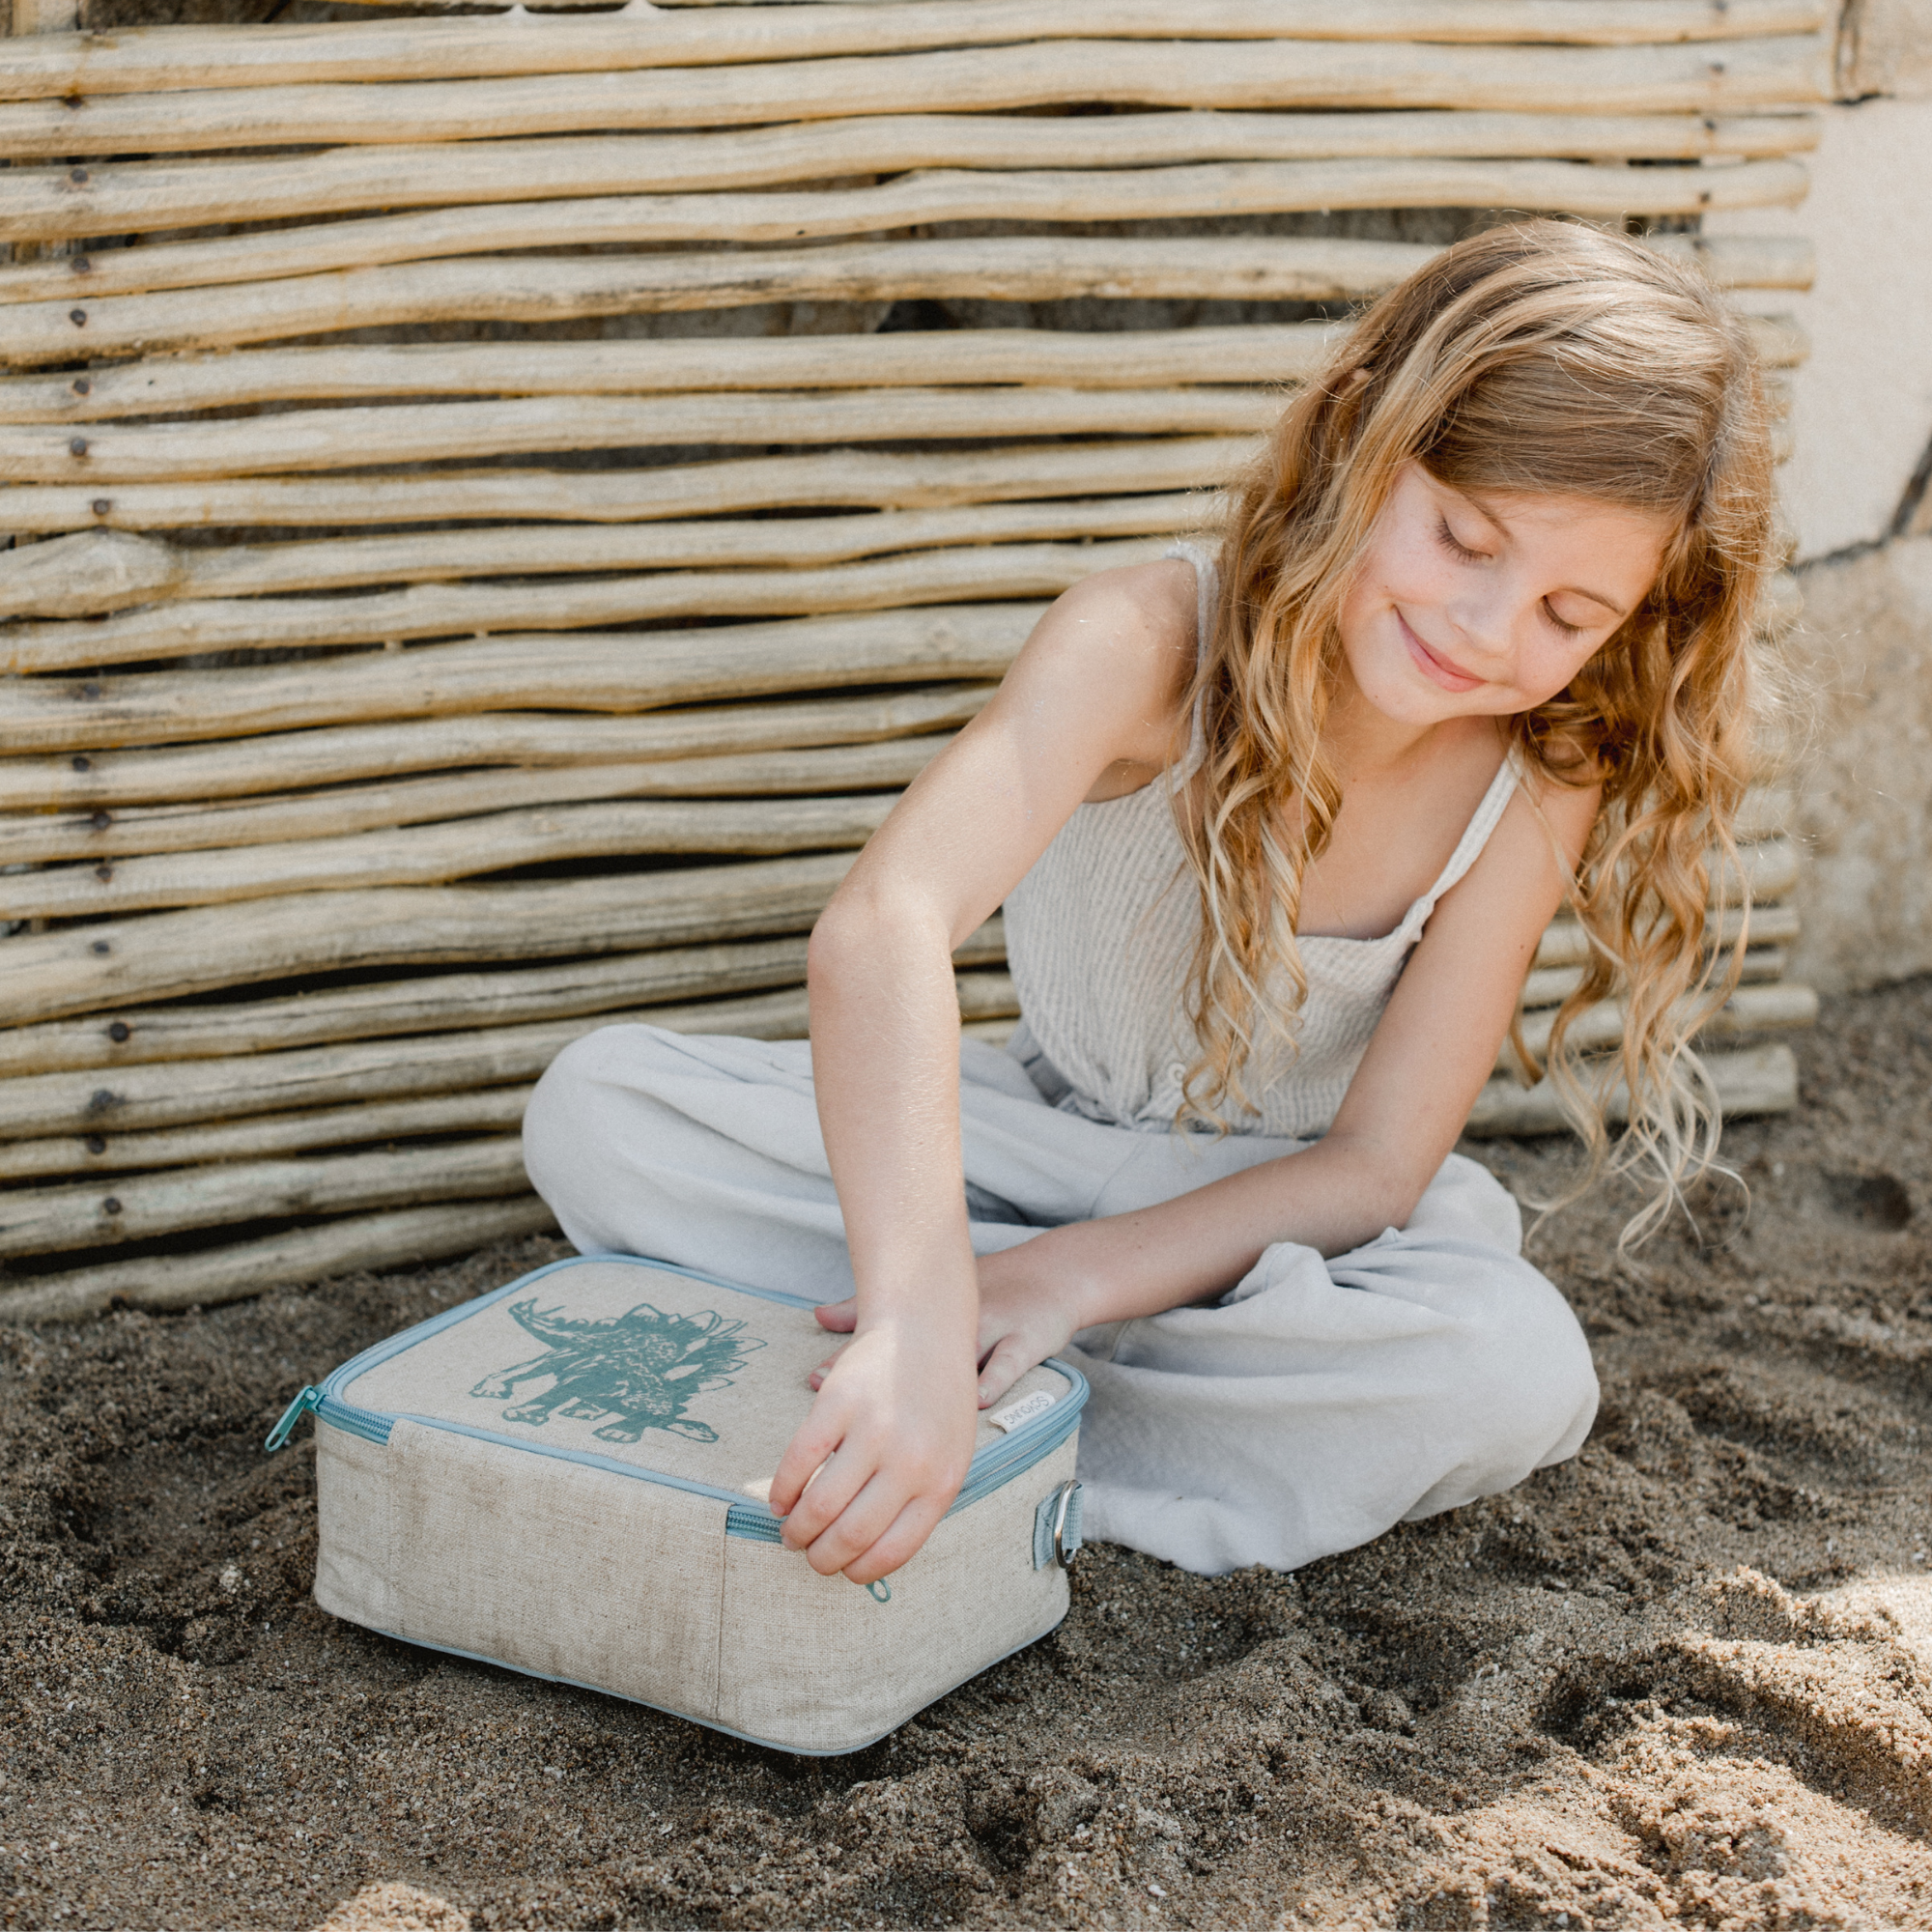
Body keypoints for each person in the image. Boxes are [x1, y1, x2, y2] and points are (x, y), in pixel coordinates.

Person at [522, 220, 1779, 1590]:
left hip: (1259, 1232)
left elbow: (1373, 1172)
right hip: (1020, 1153)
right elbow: (883, 926)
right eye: (1464, 538)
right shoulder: (1146, 641)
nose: (1488, 627)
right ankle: (938, 1370)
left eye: (1567, 610)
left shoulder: (1542, 773)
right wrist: (921, 1298)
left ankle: (989, 1419)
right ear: (1365, 436)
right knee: (601, 1112)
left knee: (1514, 1367)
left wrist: (1066, 1282)